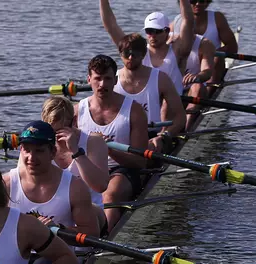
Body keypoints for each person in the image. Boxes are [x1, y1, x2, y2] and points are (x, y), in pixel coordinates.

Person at [3, 120, 99, 264]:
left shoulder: (74, 185)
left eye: (38, 151)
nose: (31, 157)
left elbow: (92, 235)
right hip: (14, 253)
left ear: (52, 152)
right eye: (26, 150)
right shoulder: (6, 184)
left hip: (55, 256)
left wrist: (58, 231)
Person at [99, 0, 213, 125]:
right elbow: (111, 26)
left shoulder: (178, 50)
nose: (152, 35)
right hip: (145, 103)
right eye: (149, 31)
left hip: (171, 105)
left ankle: (171, 132)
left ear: (167, 31)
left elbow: (188, 21)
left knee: (165, 104)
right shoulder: (138, 51)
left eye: (157, 31)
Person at [75, 54, 149, 228]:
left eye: (107, 79)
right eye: (97, 79)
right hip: (89, 168)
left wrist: (109, 149)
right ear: (89, 80)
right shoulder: (78, 110)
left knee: (109, 195)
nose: (102, 85)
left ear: (115, 80)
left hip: (122, 170)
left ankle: (104, 239)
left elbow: (140, 162)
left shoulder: (134, 110)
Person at [41, 96, 109, 234]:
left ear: (74, 121)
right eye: (52, 132)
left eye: (61, 131)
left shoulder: (94, 142)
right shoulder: (38, 146)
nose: (56, 138)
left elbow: (100, 186)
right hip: (54, 212)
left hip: (91, 213)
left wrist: (76, 151)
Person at [112, 32, 186, 151]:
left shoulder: (160, 79)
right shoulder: (111, 80)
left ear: (143, 54)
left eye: (135, 54)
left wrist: (164, 136)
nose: (130, 58)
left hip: (151, 135)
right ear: (120, 54)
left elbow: (180, 117)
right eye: (127, 53)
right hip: (121, 134)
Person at [172, 0, 237, 83]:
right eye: (193, 1)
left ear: (207, 2)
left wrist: (210, 53)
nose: (198, 4)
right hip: (186, 67)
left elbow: (233, 48)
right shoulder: (176, 22)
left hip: (211, 66)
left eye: (202, 1)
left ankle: (208, 92)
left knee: (218, 58)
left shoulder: (217, 18)